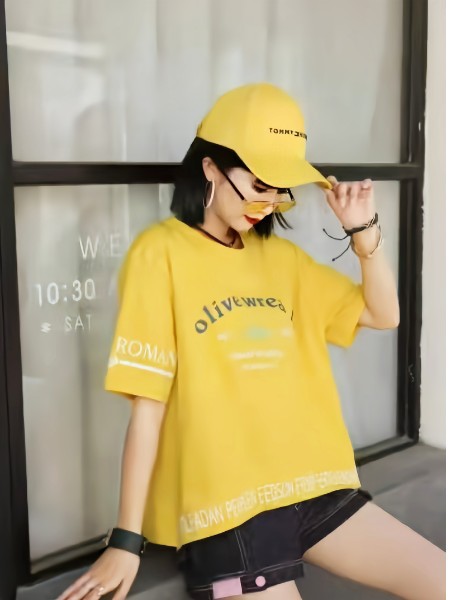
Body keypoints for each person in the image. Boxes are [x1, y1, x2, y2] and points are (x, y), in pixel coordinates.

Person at [58, 83, 445, 600]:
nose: (269, 203)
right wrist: (126, 540)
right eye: (260, 184)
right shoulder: (160, 254)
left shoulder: (283, 261)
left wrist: (363, 233)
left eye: (280, 190)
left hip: (316, 485)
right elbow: (148, 406)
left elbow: (384, 313)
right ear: (211, 168)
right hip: (228, 513)